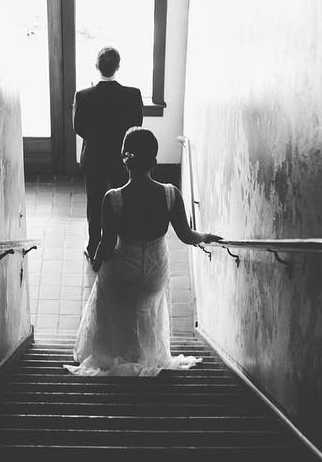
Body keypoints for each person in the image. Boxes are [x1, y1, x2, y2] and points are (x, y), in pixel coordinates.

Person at [66, 127, 223, 377]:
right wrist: (206, 236)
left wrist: (96, 261)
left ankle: (118, 352)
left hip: (122, 271)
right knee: (148, 310)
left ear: (124, 158)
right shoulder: (171, 194)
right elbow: (186, 235)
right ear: (154, 160)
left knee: (111, 300)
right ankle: (146, 354)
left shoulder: (113, 199)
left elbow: (106, 245)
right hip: (154, 271)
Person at [72, 47, 144, 262]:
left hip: (95, 157)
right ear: (118, 67)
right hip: (122, 159)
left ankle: (94, 245)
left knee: (95, 203)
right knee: (121, 201)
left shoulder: (83, 96)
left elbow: (79, 128)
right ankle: (118, 244)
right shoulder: (133, 95)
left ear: (97, 66)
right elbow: (136, 126)